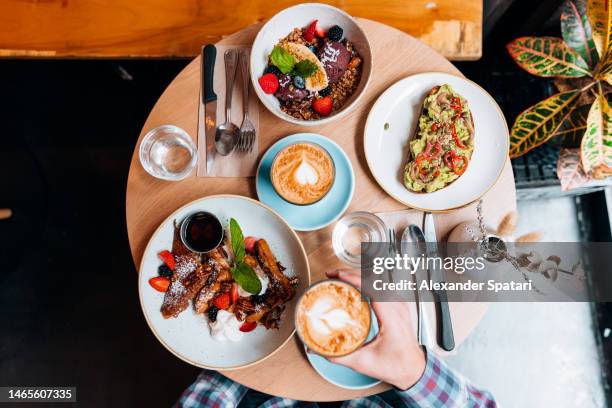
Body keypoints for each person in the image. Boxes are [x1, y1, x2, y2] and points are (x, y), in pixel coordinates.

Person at [175, 269, 496, 407]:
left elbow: (205, 400)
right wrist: (412, 370)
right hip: (384, 380)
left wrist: (246, 356)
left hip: (260, 377)